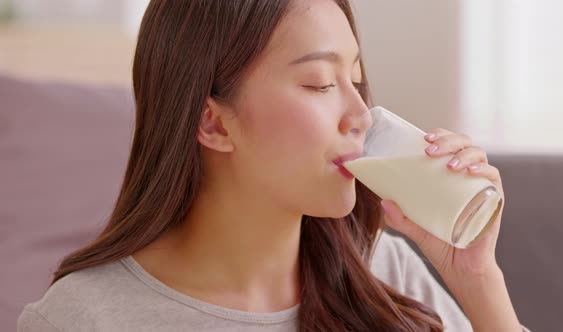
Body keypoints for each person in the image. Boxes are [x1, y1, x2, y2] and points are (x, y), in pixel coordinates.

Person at [18, 0, 529, 331]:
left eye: (357, 80)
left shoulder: (383, 277)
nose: (359, 114)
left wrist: (478, 279)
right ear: (213, 124)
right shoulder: (83, 318)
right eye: (320, 84)